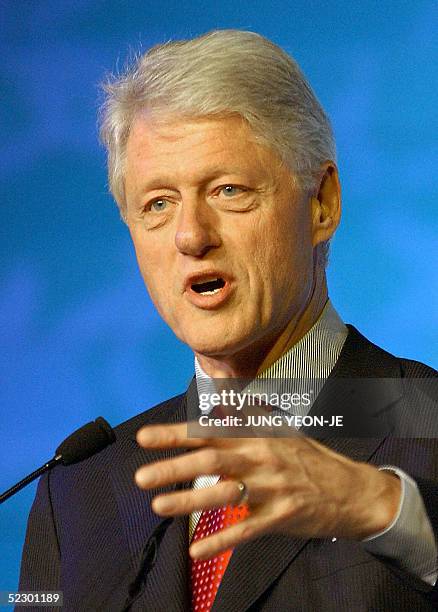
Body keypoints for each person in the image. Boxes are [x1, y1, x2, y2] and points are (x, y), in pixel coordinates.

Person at [19, 30, 438, 611]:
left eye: (228, 190)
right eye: (158, 204)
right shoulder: (80, 489)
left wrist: (385, 510)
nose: (192, 236)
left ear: (322, 205)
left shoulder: (428, 419)